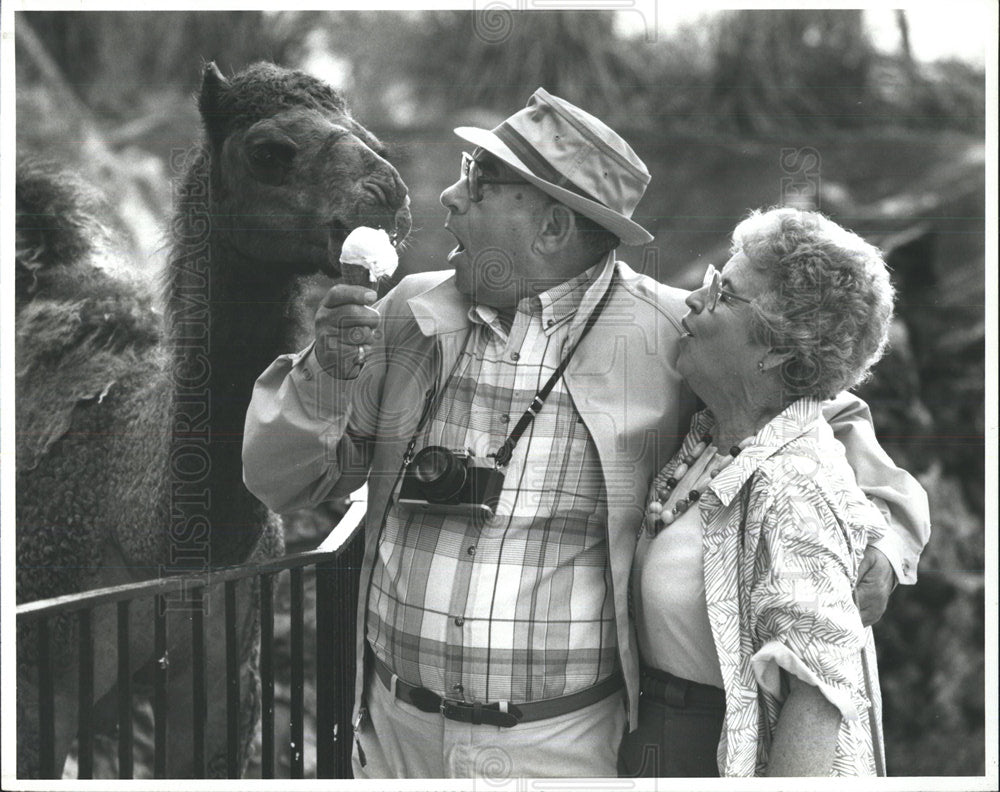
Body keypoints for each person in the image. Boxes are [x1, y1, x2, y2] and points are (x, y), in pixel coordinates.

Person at [242, 90, 929, 779]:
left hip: (564, 751)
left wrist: (890, 536)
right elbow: (279, 481)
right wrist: (324, 375)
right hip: (396, 739)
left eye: (478, 179)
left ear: (549, 228)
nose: (449, 196)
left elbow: (816, 416)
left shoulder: (672, 336)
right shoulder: (402, 316)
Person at [619, 207, 905, 777]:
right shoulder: (716, 437)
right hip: (653, 741)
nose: (694, 300)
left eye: (723, 293)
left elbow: (820, 690)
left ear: (776, 349)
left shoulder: (795, 481)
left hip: (717, 757)